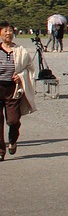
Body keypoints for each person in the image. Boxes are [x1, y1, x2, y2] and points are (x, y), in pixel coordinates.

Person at [0, 21, 37, 160]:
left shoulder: (20, 51)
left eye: (10, 31)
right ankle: (0, 151)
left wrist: (20, 76)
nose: (8, 33)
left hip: (13, 89)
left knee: (13, 120)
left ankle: (13, 140)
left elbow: (30, 68)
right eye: (5, 31)